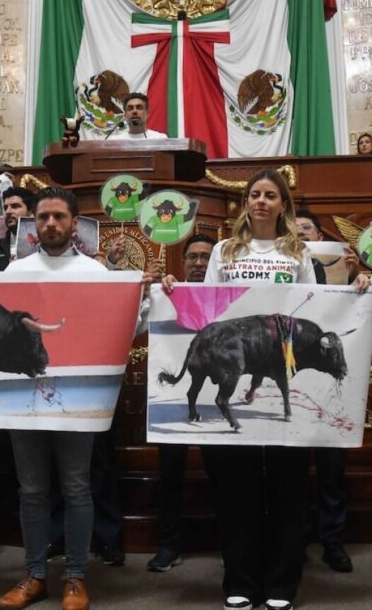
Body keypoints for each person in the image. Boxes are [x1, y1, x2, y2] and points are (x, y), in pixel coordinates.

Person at [161, 169, 322, 610]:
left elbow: (314, 308)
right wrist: (178, 291)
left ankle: (282, 583)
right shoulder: (224, 250)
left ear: (283, 205)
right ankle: (241, 579)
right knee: (236, 487)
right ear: (245, 203)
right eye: (255, 194)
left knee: (288, 486)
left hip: (276, 363)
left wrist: (357, 288)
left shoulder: (298, 251)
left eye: (271, 195)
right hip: (238, 354)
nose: (261, 201)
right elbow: (211, 305)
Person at [0, 187, 149, 610]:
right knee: (31, 490)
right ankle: (34, 574)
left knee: (78, 486)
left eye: (59, 217)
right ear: (34, 223)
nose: (50, 224)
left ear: (75, 223)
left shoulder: (96, 273)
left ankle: (76, 577)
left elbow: (124, 328)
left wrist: (141, 295)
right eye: (43, 217)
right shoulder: (14, 272)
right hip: (22, 396)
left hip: (77, 396)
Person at [292, 210, 367, 574]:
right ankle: (297, 538)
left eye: (305, 228)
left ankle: (332, 540)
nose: (299, 235)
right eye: (291, 230)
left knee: (331, 465)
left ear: (321, 235)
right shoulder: (282, 263)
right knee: (291, 468)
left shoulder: (340, 266)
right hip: (291, 376)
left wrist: (355, 279)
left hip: (330, 378)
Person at [145, 233, 215, 573]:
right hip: (175, 400)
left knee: (225, 476)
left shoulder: (234, 296)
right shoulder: (169, 295)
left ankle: (231, 543)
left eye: (206, 257)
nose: (199, 263)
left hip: (220, 400)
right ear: (183, 261)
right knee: (170, 474)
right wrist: (154, 291)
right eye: (193, 257)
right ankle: (169, 545)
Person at [2, 186, 35, 260]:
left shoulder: (45, 245)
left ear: (31, 212)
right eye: (5, 208)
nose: (8, 211)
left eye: (15, 206)